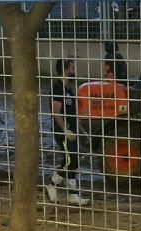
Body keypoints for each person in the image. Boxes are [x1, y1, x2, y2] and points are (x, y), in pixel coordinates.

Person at [47, 58, 89, 207]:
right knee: (72, 160)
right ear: (65, 69)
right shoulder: (57, 88)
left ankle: (72, 195)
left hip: (72, 130)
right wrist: (65, 129)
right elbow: (56, 112)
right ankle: (53, 185)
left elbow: (72, 112)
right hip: (63, 132)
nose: (74, 70)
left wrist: (81, 130)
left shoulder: (68, 88)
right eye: (72, 68)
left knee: (72, 161)